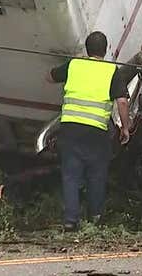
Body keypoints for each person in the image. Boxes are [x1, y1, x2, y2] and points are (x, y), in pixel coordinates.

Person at [48, 31, 132, 229]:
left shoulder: (74, 65)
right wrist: (125, 128)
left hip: (70, 127)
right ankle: (95, 218)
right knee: (97, 174)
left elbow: (50, 77)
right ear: (105, 50)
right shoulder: (112, 71)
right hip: (96, 131)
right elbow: (122, 101)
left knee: (70, 175)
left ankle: (70, 221)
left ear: (87, 49)